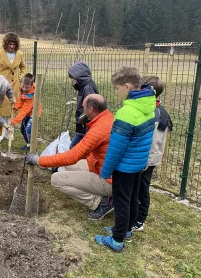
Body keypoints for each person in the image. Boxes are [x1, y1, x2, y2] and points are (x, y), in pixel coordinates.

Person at [94, 66, 155, 253]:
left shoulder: (126, 113)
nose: (116, 91)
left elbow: (116, 148)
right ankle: (126, 230)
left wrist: (105, 171)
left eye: (117, 88)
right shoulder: (149, 106)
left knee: (121, 201)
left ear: (127, 86)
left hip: (125, 167)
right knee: (133, 198)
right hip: (138, 165)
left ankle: (117, 239)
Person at [26, 94, 115, 220]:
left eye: (83, 107)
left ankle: (101, 202)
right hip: (98, 166)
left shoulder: (99, 129)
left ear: (91, 109)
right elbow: (80, 153)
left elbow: (73, 156)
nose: (82, 110)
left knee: (57, 179)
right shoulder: (106, 118)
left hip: (109, 180)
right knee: (65, 163)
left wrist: (39, 160)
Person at [132, 76, 173, 232]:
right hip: (143, 157)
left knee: (143, 188)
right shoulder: (152, 110)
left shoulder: (158, 115)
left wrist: (145, 162)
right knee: (137, 186)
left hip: (148, 160)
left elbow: (154, 143)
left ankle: (140, 219)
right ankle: (134, 211)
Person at [0, 32, 26, 143]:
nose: (12, 47)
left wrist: (21, 77)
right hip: (1, 86)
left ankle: (9, 132)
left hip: (14, 85)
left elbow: (23, 67)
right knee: (0, 108)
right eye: (10, 44)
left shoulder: (19, 54)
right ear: (6, 44)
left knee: (12, 108)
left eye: (14, 44)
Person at [68, 62, 99, 149]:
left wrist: (80, 119)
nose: (73, 81)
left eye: (73, 78)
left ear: (80, 77)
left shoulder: (87, 88)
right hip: (83, 127)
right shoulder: (84, 87)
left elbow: (91, 108)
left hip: (84, 127)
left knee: (73, 149)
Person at [11, 73, 42, 151]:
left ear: (31, 86)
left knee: (28, 130)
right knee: (22, 129)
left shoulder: (32, 95)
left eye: (27, 87)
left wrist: (15, 121)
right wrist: (16, 107)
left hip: (33, 113)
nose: (24, 88)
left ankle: (33, 148)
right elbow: (21, 99)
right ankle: (28, 144)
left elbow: (24, 111)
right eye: (23, 86)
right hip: (27, 112)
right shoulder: (22, 89)